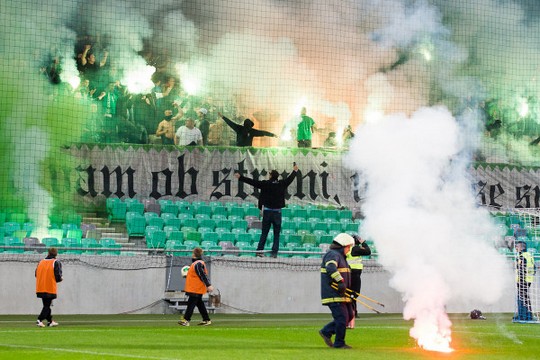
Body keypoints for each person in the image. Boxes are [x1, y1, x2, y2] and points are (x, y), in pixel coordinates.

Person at [234, 163, 298, 257]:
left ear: (271, 176)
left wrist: (241, 177)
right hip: (277, 212)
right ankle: (274, 253)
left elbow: (253, 182)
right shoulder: (281, 184)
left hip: (267, 212)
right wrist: (295, 171)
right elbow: (290, 179)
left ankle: (259, 251)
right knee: (276, 234)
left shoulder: (265, 184)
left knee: (264, 232)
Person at [319, 233, 355, 349]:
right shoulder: (332, 255)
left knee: (349, 316)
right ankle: (339, 343)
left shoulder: (342, 257)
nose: (349, 250)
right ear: (342, 246)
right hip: (333, 294)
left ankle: (326, 331)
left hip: (343, 294)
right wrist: (339, 281)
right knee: (341, 318)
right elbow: (331, 268)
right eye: (348, 247)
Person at [178, 247, 214, 326]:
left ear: (194, 254)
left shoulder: (197, 264)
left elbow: (202, 275)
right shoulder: (197, 264)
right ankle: (206, 319)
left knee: (191, 304)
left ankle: (186, 320)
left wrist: (208, 285)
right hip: (195, 288)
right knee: (199, 304)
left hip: (195, 288)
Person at [346, 235, 371, 328]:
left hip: (350, 273)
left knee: (351, 294)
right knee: (354, 294)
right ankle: (352, 313)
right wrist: (363, 242)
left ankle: (352, 312)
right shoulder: (355, 249)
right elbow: (368, 251)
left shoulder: (348, 249)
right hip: (354, 274)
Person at [35, 247, 63, 327]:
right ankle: (39, 320)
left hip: (40, 287)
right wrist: (61, 279)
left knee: (46, 305)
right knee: (47, 306)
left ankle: (50, 321)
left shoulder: (41, 262)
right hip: (49, 287)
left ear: (48, 253)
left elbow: (36, 274)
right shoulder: (56, 262)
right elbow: (58, 277)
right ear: (56, 254)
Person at [513, 240, 536, 322]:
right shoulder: (530, 255)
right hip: (529, 280)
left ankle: (523, 316)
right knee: (526, 298)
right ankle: (528, 315)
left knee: (522, 298)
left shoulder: (521, 256)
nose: (515, 248)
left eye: (517, 246)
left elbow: (521, 268)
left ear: (521, 247)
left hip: (523, 280)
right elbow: (534, 269)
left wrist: (521, 280)